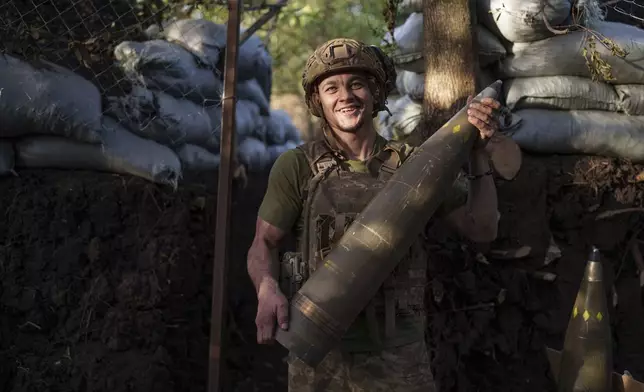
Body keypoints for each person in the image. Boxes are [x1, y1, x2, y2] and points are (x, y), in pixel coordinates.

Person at [247, 38, 503, 391]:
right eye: (331, 87)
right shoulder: (297, 166)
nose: (345, 96)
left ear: (376, 92)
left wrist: (478, 155)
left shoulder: (415, 164)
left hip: (398, 356)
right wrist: (267, 288)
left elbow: (482, 228)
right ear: (317, 101)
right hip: (319, 354)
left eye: (357, 84)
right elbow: (264, 242)